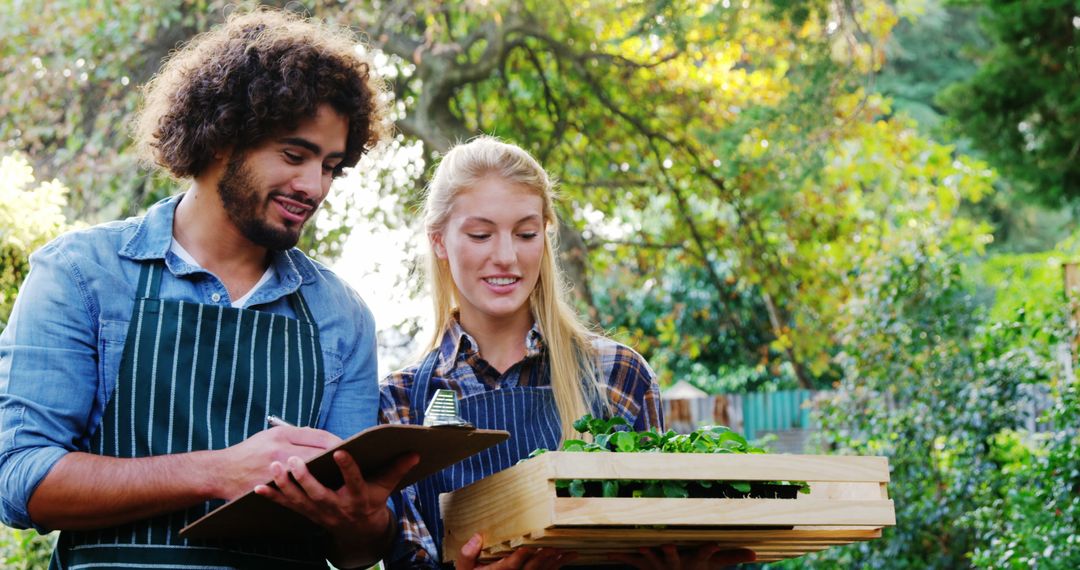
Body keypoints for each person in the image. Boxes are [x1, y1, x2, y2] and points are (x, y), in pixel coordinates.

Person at [0, 9, 416, 569]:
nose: (313, 186)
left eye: (331, 167)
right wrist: (216, 471)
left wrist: (366, 520)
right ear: (222, 138)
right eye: (294, 155)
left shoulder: (341, 315)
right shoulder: (82, 274)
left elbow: (356, 555)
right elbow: (19, 480)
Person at [378, 137, 756, 569]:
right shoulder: (402, 402)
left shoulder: (618, 375)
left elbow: (658, 525)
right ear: (439, 241)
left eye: (526, 234)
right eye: (481, 234)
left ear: (545, 235)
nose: (506, 257)